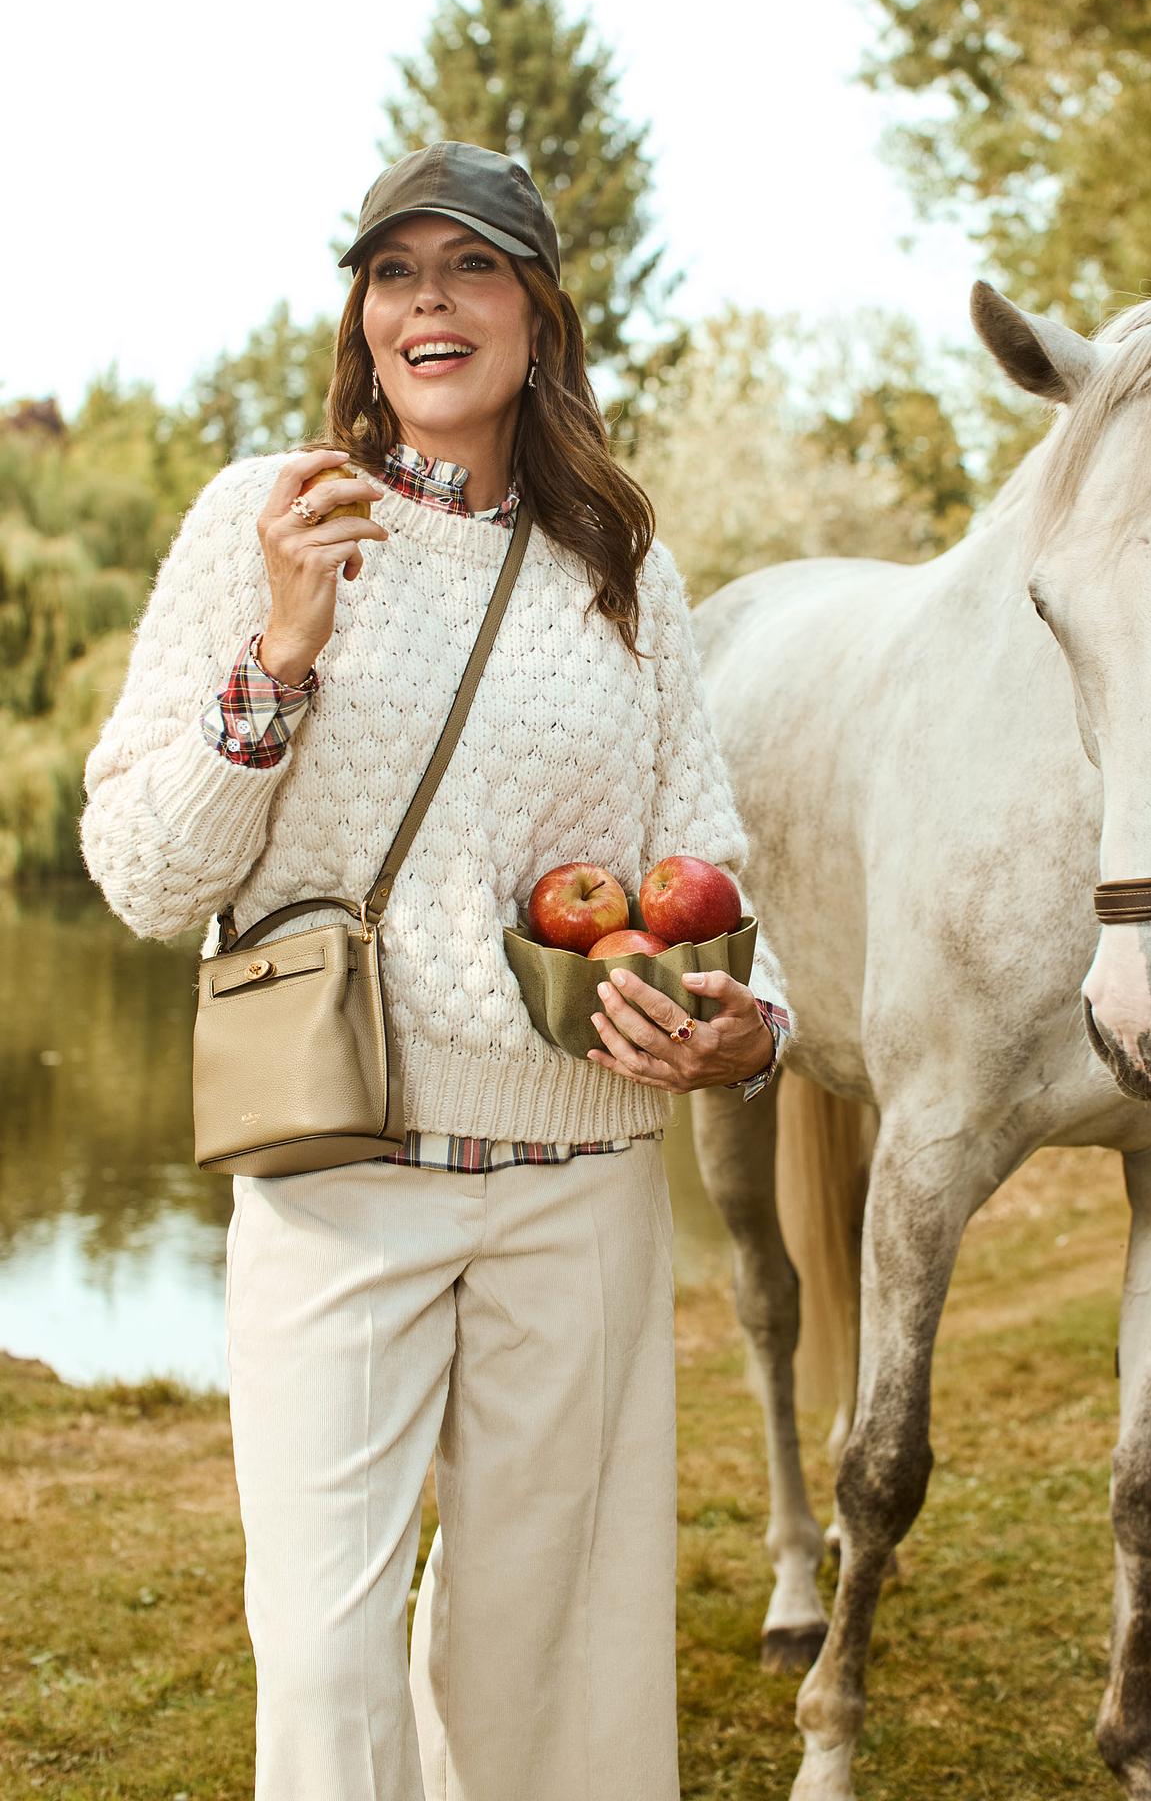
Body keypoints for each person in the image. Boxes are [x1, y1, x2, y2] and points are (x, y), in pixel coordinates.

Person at [79, 141, 795, 1801]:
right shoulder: (262, 522)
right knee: (326, 1669)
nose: (429, 302)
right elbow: (143, 873)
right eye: (395, 271)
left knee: (544, 1676)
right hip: (342, 1174)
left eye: (469, 268)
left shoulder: (625, 569)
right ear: (362, 315)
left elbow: (711, 874)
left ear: (537, 313)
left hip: (579, 1180)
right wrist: (283, 647)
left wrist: (749, 1036)